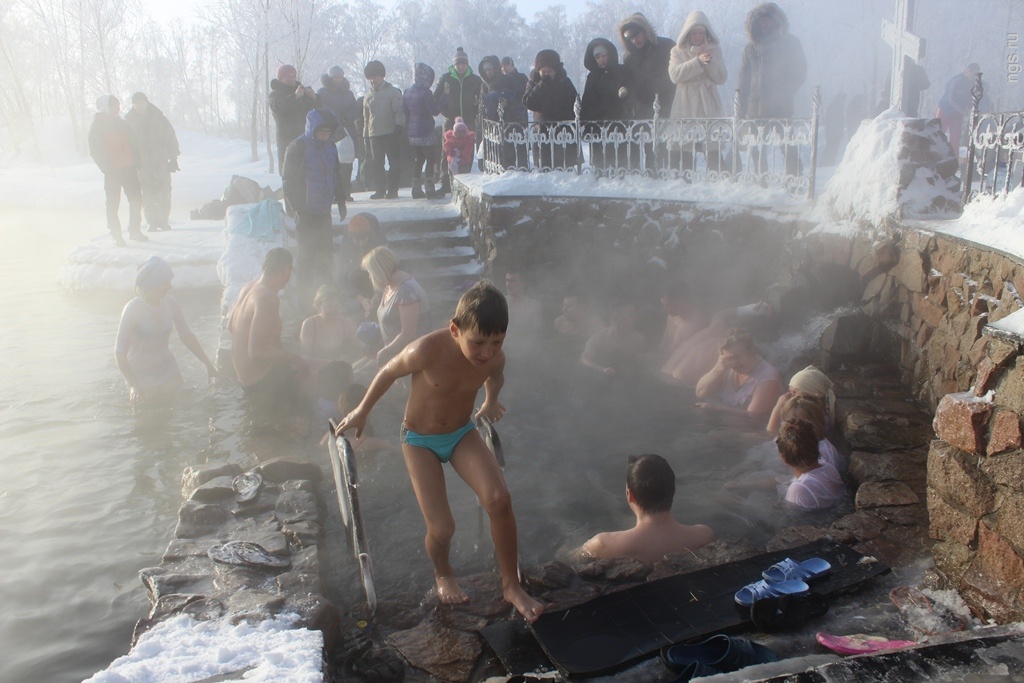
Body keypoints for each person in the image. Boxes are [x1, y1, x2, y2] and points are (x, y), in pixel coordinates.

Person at [333, 281, 544, 621]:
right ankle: (443, 572)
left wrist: (491, 401)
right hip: (419, 440)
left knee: (499, 499)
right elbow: (388, 372)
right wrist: (362, 410)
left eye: (496, 342)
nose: (487, 352)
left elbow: (495, 375)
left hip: (461, 433)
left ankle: (511, 585)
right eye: (477, 342)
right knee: (443, 527)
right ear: (455, 329)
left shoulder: (494, 358)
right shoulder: (426, 350)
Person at [115, 256, 217, 406]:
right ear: (153, 283)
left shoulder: (170, 303)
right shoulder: (133, 309)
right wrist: (133, 385)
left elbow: (186, 336)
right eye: (166, 281)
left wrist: (208, 364)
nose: (170, 286)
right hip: (141, 373)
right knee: (152, 416)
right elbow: (119, 352)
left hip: (167, 367)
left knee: (179, 409)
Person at [581, 454, 714, 563]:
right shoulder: (703, 536)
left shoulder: (602, 545)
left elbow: (567, 561)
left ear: (630, 494)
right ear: (672, 490)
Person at [227, 248, 308, 413]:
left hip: (245, 379)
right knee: (313, 375)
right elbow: (256, 352)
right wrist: (295, 358)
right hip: (263, 381)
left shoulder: (248, 288)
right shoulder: (267, 298)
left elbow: (231, 327)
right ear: (286, 271)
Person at [282, 109, 344, 307]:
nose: (325, 137)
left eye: (328, 133)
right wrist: (297, 209)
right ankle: (303, 300)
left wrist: (341, 199)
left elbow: (336, 174)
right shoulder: (297, 147)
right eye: (321, 133)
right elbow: (288, 182)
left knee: (326, 254)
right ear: (312, 130)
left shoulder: (330, 147)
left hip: (324, 210)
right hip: (306, 211)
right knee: (306, 256)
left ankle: (327, 297)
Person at [736, 3, 807, 176]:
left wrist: (785, 92)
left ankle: (794, 177)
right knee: (756, 147)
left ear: (777, 22)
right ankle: (762, 179)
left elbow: (800, 71)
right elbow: (743, 79)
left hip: (780, 105)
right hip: (755, 106)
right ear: (756, 23)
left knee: (787, 143)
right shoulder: (750, 48)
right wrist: (741, 107)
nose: (765, 24)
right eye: (762, 21)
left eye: (769, 20)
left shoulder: (790, 43)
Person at [668, 11, 727, 176]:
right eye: (695, 32)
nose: (698, 36)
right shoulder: (677, 51)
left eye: (701, 32)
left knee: (712, 145)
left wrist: (709, 62)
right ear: (688, 32)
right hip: (686, 102)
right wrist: (697, 62)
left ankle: (719, 179)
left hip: (708, 101)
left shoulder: (714, 50)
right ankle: (684, 178)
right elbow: (674, 75)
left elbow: (722, 77)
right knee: (685, 145)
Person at [88, 95, 147, 246]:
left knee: (136, 200)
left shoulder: (122, 123)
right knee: (113, 204)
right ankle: (116, 234)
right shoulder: (98, 125)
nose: (117, 108)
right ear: (105, 107)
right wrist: (106, 168)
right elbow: (95, 150)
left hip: (129, 169)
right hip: (113, 171)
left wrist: (137, 161)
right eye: (114, 106)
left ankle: (134, 230)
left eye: (118, 105)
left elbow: (134, 143)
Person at [362, 246, 428, 366]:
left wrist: (386, 351)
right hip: (395, 354)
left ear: (378, 271)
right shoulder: (389, 287)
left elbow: (408, 334)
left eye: (370, 273)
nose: (369, 277)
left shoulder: (405, 291)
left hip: (411, 358)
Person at [695, 327, 781, 418]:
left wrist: (716, 409)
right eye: (729, 358)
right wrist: (717, 369)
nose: (733, 363)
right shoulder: (725, 367)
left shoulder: (767, 376)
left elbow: (754, 417)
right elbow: (700, 393)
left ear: (751, 351)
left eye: (737, 357)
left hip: (750, 429)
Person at [124, 92, 180, 231]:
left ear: (147, 103)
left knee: (164, 191)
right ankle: (151, 222)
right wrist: (130, 162)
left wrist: (173, 158)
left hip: (160, 162)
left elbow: (171, 138)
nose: (139, 105)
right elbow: (126, 144)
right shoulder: (129, 122)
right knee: (147, 193)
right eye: (136, 103)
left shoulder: (160, 118)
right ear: (133, 105)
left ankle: (163, 221)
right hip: (141, 165)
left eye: (141, 102)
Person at [435, 47, 484, 194]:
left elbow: (481, 99)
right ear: (454, 65)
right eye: (458, 64)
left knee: (467, 153)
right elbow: (435, 98)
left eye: (463, 63)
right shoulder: (446, 79)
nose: (461, 66)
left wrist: (476, 112)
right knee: (447, 152)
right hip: (450, 121)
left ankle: (465, 182)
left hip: (468, 121)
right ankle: (446, 183)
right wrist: (445, 112)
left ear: (467, 64)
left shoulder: (475, 80)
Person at [579, 38, 631, 173]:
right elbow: (587, 101)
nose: (602, 59)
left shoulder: (621, 71)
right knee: (600, 162)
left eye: (604, 56)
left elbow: (630, 92)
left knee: (619, 161)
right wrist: (585, 124)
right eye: (598, 57)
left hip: (618, 123)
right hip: (598, 126)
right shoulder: (592, 77)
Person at [523, 49, 580, 170]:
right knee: (545, 168)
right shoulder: (533, 83)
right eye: (543, 72)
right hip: (542, 133)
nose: (546, 74)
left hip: (563, 132)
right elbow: (529, 103)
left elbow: (575, 103)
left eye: (549, 71)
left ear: (555, 71)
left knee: (565, 169)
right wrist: (542, 85)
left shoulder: (564, 82)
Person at [317, 65, 360, 215]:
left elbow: (355, 109)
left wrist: (346, 117)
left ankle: (346, 192)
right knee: (330, 162)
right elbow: (320, 108)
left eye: (340, 77)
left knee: (346, 163)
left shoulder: (348, 93)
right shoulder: (322, 93)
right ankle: (333, 193)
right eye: (335, 77)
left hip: (346, 130)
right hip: (329, 131)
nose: (338, 80)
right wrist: (333, 117)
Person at [776, 418, 845, 511]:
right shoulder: (828, 467)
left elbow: (791, 518)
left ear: (783, 458)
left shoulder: (799, 488)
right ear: (816, 445)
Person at [362, 60, 405, 199]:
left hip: (390, 132)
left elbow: (399, 111)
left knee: (394, 162)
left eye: (375, 76)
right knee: (377, 164)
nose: (372, 80)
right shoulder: (367, 96)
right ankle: (380, 190)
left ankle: (393, 190)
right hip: (374, 134)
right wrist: (365, 136)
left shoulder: (393, 92)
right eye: (370, 78)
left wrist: (399, 127)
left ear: (382, 76)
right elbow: (366, 118)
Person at [269, 64, 318, 174]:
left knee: (305, 170)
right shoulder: (275, 94)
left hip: (303, 137)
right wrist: (295, 97)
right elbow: (277, 107)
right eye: (288, 76)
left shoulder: (302, 92)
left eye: (293, 76)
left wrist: (313, 98)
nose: (292, 79)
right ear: (281, 78)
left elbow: (313, 110)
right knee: (288, 171)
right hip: (285, 138)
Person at [404, 63, 443, 198]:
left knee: (419, 159)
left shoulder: (407, 91)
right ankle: (430, 189)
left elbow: (406, 112)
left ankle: (415, 189)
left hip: (413, 132)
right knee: (430, 159)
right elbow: (435, 111)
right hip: (426, 131)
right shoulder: (426, 93)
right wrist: (444, 97)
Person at [580, 299, 646, 376]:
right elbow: (584, 360)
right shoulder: (599, 338)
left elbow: (641, 365)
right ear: (616, 316)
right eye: (631, 314)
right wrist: (602, 369)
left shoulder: (638, 339)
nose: (635, 317)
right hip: (602, 381)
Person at [339, 212, 387, 317]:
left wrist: (377, 294)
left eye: (363, 240)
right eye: (357, 240)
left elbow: (385, 271)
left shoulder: (379, 240)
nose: (360, 243)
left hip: (376, 276)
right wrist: (360, 299)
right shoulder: (346, 242)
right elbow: (341, 275)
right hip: (357, 277)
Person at [766, 365, 836, 436]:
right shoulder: (817, 413)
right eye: (789, 391)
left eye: (794, 392)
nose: (787, 396)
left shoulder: (802, 415)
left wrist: (777, 407)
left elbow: (771, 434)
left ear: (809, 395)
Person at [301, 285, 361, 362]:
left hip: (344, 368)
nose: (333, 310)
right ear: (319, 306)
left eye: (336, 306)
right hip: (318, 369)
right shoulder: (309, 325)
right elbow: (305, 356)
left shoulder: (347, 324)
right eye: (329, 306)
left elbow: (361, 349)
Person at [936, 63, 981, 155]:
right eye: (973, 74)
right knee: (937, 135)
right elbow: (949, 98)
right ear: (967, 71)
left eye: (976, 74)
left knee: (955, 139)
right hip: (945, 110)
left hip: (957, 115)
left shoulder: (973, 84)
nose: (974, 77)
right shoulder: (956, 80)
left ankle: (954, 159)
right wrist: (961, 110)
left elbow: (970, 98)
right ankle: (934, 156)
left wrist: (969, 108)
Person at [503, 270, 543, 357]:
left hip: (525, 352)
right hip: (503, 350)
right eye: (507, 280)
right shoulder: (500, 302)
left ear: (523, 283)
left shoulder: (534, 306)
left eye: (512, 281)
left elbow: (537, 334)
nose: (508, 285)